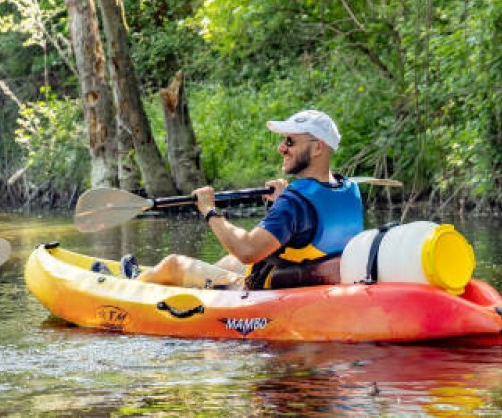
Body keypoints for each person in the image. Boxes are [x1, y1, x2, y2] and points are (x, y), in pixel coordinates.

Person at [135, 109, 365, 290]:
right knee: (227, 262)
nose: (281, 148)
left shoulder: (295, 202)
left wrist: (209, 211)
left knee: (173, 264)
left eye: (290, 142)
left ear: (318, 148)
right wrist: (280, 202)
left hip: (275, 288)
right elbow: (312, 231)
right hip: (311, 277)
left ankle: (129, 288)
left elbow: (247, 251)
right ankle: (197, 286)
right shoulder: (349, 188)